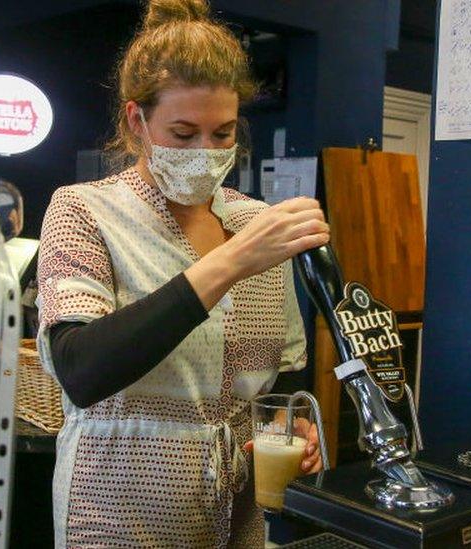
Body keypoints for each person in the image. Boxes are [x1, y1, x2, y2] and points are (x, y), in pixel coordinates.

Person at [36, 0, 329, 546]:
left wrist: (292, 428)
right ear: (136, 120)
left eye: (222, 134)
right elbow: (80, 370)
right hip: (121, 509)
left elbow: (281, 376)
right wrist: (228, 262)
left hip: (240, 513)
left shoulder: (254, 221)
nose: (206, 151)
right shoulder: (84, 211)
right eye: (184, 132)